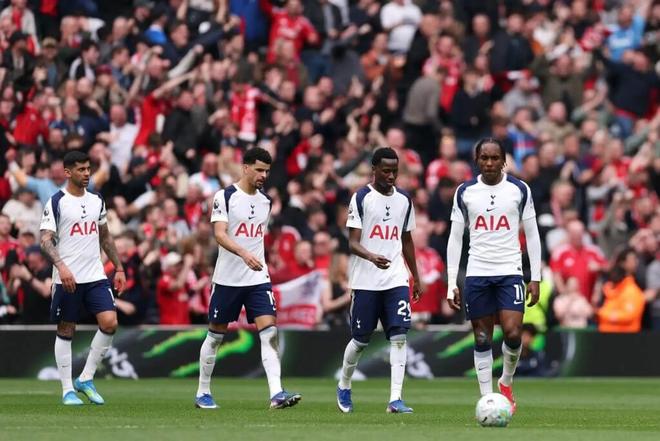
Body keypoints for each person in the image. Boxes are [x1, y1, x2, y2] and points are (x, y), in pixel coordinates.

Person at [195, 147, 301, 410]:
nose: (263, 175)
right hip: (228, 279)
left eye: (267, 171)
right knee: (215, 335)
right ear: (245, 168)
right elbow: (220, 234)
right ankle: (203, 392)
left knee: (270, 331)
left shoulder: (266, 202)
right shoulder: (225, 196)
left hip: (257, 278)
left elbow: (256, 237)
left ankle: (277, 394)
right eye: (259, 170)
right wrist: (243, 253)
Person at [446, 138, 542, 414]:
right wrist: (451, 282)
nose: (489, 163)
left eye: (494, 158)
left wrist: (535, 277)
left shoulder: (519, 189)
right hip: (477, 273)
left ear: (504, 161)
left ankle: (506, 382)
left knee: (513, 333)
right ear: (476, 160)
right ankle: (487, 399)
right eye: (484, 158)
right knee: (482, 338)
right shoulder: (465, 192)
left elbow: (532, 234)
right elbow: (455, 238)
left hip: (510, 272)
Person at [336, 147, 423, 414]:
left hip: (395, 278)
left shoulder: (404, 200)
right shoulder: (362, 197)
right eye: (386, 171)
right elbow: (352, 242)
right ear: (374, 169)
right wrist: (372, 256)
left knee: (399, 336)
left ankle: (395, 399)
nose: (391, 176)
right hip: (366, 280)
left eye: (395, 171)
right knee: (360, 340)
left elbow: (407, 240)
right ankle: (344, 383)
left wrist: (415, 276)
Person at [39, 151, 126, 406]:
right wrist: (61, 267)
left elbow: (105, 236)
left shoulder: (97, 200)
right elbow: (45, 240)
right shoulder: (57, 201)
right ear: (68, 173)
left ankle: (85, 378)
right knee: (66, 329)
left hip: (95, 275)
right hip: (67, 277)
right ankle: (67, 390)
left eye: (88, 169)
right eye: (81, 169)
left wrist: (119, 268)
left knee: (110, 323)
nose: (87, 173)